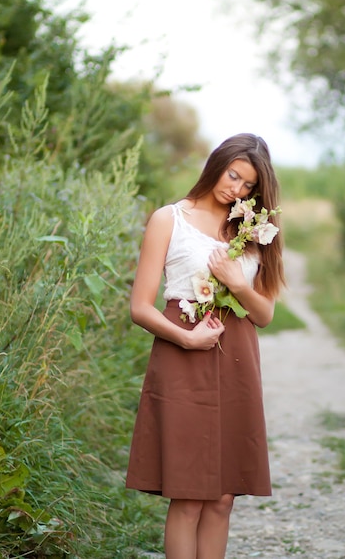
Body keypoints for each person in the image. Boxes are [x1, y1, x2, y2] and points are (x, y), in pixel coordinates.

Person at [125, 133, 285, 559]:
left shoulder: (251, 231)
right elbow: (140, 307)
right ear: (217, 163)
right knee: (190, 495)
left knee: (222, 498)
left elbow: (264, 314)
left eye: (248, 185)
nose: (236, 189)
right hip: (183, 355)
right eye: (234, 175)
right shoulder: (169, 219)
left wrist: (237, 284)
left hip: (237, 360)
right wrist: (187, 338)